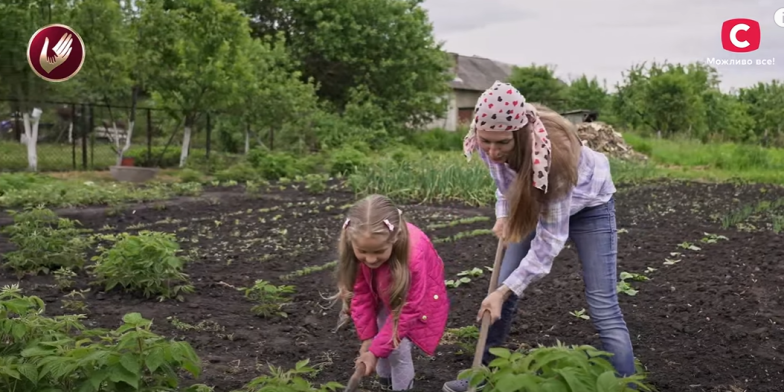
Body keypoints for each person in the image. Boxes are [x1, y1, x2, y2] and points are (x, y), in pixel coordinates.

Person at [442, 81, 636, 392]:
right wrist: (503, 215)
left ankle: (628, 386)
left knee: (602, 304)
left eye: (502, 143)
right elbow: (504, 184)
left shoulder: (552, 159)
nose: (492, 151)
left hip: (589, 204)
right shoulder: (487, 143)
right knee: (501, 292)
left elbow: (549, 243)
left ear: (518, 135)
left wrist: (503, 291)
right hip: (535, 198)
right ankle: (481, 376)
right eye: (486, 141)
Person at [332, 194, 450, 391]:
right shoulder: (361, 251)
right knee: (378, 338)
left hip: (415, 296)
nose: (370, 259)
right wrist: (368, 340)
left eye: (378, 252)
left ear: (394, 240)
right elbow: (362, 295)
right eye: (363, 251)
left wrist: (376, 350)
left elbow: (408, 310)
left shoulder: (412, 257)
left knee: (398, 350)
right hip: (384, 287)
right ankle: (386, 382)